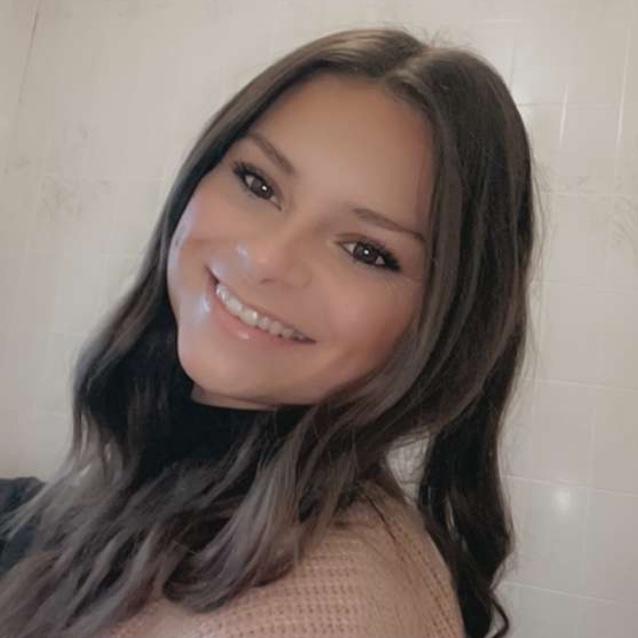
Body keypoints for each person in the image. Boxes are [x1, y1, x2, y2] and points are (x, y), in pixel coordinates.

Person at [0, 25, 538, 638]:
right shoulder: (184, 473)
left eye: (365, 251)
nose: (267, 258)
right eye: (258, 183)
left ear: (445, 325)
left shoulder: (313, 612)